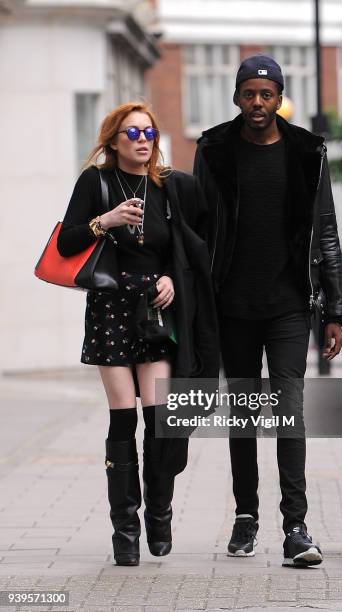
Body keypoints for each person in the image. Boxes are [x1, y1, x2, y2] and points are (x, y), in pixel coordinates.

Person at [194, 54, 342, 567]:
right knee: (242, 414)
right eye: (248, 94)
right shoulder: (214, 149)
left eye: (267, 94)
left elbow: (325, 229)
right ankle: (245, 515)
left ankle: (296, 528)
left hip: (288, 306)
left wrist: (336, 311)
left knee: (288, 411)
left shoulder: (307, 150)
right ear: (236, 97)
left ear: (280, 98)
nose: (257, 103)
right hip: (231, 304)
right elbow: (199, 229)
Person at [57, 102, 218, 566]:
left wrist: (171, 278)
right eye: (132, 133)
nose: (142, 139)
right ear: (113, 140)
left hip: (155, 309)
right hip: (110, 308)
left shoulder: (168, 188)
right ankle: (125, 528)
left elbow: (181, 247)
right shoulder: (96, 182)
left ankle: (160, 512)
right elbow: (67, 241)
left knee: (162, 421)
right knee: (122, 419)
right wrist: (105, 221)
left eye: (149, 131)